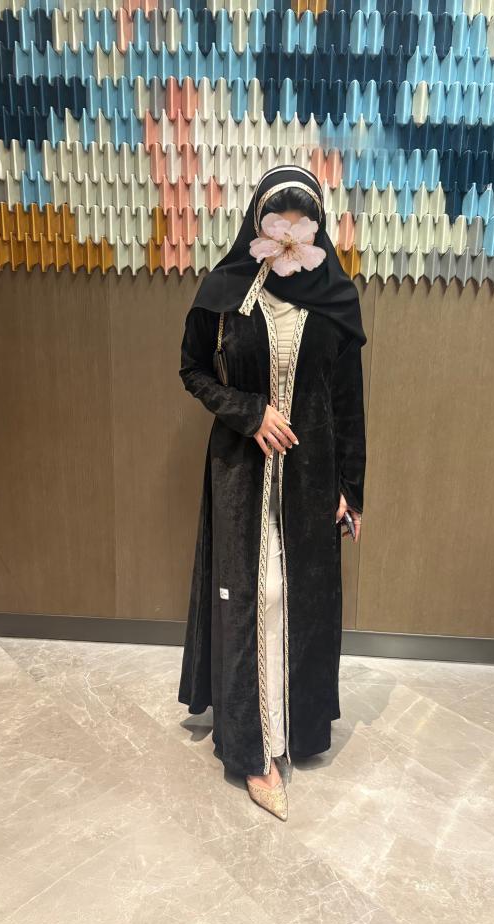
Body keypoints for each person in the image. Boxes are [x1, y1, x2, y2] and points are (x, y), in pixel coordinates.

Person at [178, 165, 367, 821]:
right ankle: (252, 747)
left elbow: (349, 403)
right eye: (276, 227)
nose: (288, 240)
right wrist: (248, 411)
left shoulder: (336, 301)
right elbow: (192, 370)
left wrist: (351, 489)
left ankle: (296, 727)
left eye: (300, 228)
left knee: (299, 601)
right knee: (253, 599)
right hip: (240, 477)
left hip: (310, 481)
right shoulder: (225, 293)